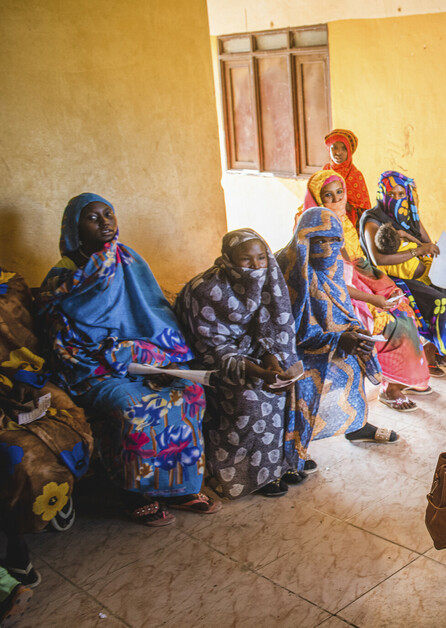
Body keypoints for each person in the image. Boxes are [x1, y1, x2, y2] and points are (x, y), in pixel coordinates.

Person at [36, 193, 219, 526]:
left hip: (145, 360)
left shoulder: (128, 261)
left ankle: (178, 487)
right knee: (134, 407)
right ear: (75, 227)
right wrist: (116, 358)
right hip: (94, 370)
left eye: (109, 214)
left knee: (189, 393)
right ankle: (133, 492)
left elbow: (155, 314)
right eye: (93, 217)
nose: (105, 222)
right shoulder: (63, 275)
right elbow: (60, 339)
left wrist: (165, 360)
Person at [175, 229, 311, 498]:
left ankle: (281, 464)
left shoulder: (268, 281)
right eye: (246, 260)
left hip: (254, 354)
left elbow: (269, 331)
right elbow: (211, 348)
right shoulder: (205, 290)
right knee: (249, 397)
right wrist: (259, 371)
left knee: (291, 384)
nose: (256, 266)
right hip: (214, 362)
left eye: (262, 258)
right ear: (227, 259)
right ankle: (248, 475)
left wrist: (272, 363)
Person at [305, 171, 432, 412]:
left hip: (358, 282)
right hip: (332, 295)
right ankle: (390, 388)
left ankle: (404, 379)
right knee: (391, 323)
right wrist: (374, 298)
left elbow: (360, 263)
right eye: (328, 196)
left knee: (404, 306)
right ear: (317, 200)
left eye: (339, 193)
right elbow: (333, 281)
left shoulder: (343, 221)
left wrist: (384, 287)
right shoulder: (316, 230)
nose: (336, 200)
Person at [1, 268, 94, 588]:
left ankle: (59, 489)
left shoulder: (9, 284)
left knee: (65, 412)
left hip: (15, 377)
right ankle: (16, 545)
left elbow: (23, 340)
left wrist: (24, 374)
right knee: (16, 455)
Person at [277, 206, 398, 443]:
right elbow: (287, 328)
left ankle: (355, 424)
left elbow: (340, 302)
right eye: (320, 240)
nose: (328, 247)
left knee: (354, 363)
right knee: (306, 381)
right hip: (294, 349)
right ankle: (297, 445)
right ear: (304, 238)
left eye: (334, 240)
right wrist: (336, 339)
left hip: (331, 337)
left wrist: (354, 331)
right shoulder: (289, 268)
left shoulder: (333, 266)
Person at [360, 171, 446, 371]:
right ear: (382, 194)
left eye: (401, 194)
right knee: (439, 303)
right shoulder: (373, 220)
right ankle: (434, 352)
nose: (398, 199)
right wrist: (416, 250)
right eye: (392, 194)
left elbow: (427, 243)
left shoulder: (409, 215)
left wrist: (416, 242)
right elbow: (378, 259)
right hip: (395, 279)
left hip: (425, 274)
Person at [323, 128, 373, 227]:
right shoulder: (325, 171)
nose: (338, 152)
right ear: (329, 148)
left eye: (344, 148)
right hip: (325, 222)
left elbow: (364, 209)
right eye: (334, 147)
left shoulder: (355, 175)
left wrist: (348, 206)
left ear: (349, 151)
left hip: (349, 226)